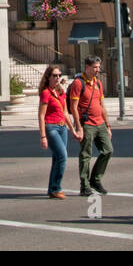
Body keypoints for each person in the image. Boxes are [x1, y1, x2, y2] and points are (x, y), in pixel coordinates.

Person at [67, 56, 112, 197]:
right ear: (87, 67)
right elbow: (73, 108)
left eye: (98, 67)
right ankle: (84, 185)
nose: (98, 70)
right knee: (86, 154)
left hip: (100, 123)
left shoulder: (98, 83)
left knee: (108, 150)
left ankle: (95, 179)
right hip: (87, 124)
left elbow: (102, 105)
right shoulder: (78, 84)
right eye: (95, 67)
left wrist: (108, 125)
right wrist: (79, 127)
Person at [38, 64, 82, 199]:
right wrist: (43, 136)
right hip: (51, 127)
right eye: (54, 76)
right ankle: (57, 188)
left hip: (62, 127)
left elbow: (65, 113)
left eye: (59, 75)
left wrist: (73, 130)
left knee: (57, 158)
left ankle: (52, 188)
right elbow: (41, 115)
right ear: (48, 77)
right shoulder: (46, 93)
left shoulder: (61, 92)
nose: (57, 78)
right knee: (63, 156)